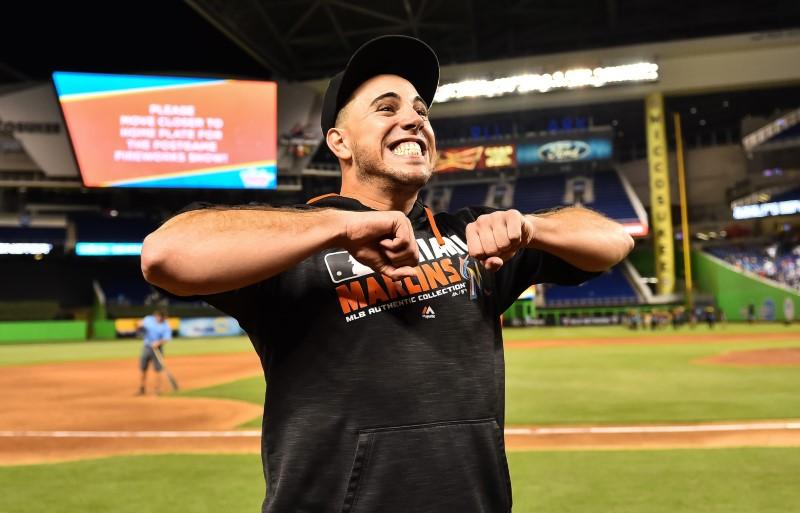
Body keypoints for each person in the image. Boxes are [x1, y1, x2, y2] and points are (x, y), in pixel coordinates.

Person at [141, 35, 634, 512]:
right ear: (339, 142)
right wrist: (340, 228)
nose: (413, 121)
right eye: (386, 108)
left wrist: (532, 227)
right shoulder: (293, 240)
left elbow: (614, 242)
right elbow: (164, 254)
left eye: (421, 110)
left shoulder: (475, 237)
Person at [137, 309, 171, 395]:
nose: (158, 318)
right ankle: (142, 388)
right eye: (157, 316)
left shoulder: (166, 325)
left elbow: (166, 338)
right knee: (143, 368)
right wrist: (139, 325)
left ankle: (158, 389)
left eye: (160, 317)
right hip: (147, 347)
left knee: (158, 369)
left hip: (157, 348)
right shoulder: (148, 319)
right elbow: (139, 324)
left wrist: (158, 342)